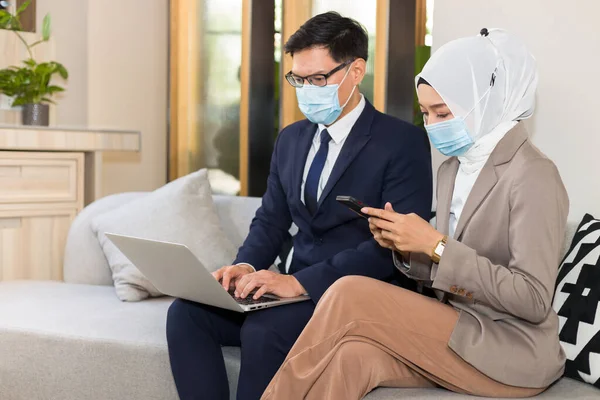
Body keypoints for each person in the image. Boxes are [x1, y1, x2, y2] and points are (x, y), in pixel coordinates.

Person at [261, 29, 569, 400]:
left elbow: (534, 299)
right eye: (425, 113)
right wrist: (405, 247)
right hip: (459, 330)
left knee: (349, 291)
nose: (433, 125)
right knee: (351, 358)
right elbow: (445, 273)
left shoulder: (533, 173)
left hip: (513, 349)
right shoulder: (453, 169)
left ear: (484, 102)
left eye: (443, 112)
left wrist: (437, 246)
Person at [166, 12, 433, 400]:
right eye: (298, 79)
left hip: (352, 295)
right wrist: (246, 266)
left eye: (318, 79)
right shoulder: (291, 139)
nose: (307, 89)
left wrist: (298, 283)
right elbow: (271, 220)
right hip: (289, 290)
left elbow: (390, 249)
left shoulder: (402, 143)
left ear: (356, 71)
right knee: (186, 314)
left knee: (263, 330)